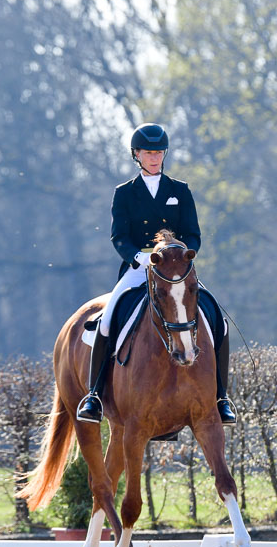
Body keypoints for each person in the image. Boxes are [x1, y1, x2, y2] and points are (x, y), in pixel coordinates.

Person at [77, 122, 236, 426]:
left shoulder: (180, 190)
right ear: (136, 154)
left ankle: (222, 397)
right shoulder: (124, 193)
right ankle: (94, 395)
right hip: (139, 268)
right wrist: (137, 256)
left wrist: (184, 254)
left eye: (159, 152)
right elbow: (119, 236)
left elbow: (193, 233)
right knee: (108, 318)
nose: (154, 157)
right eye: (149, 153)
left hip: (175, 270)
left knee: (218, 318)